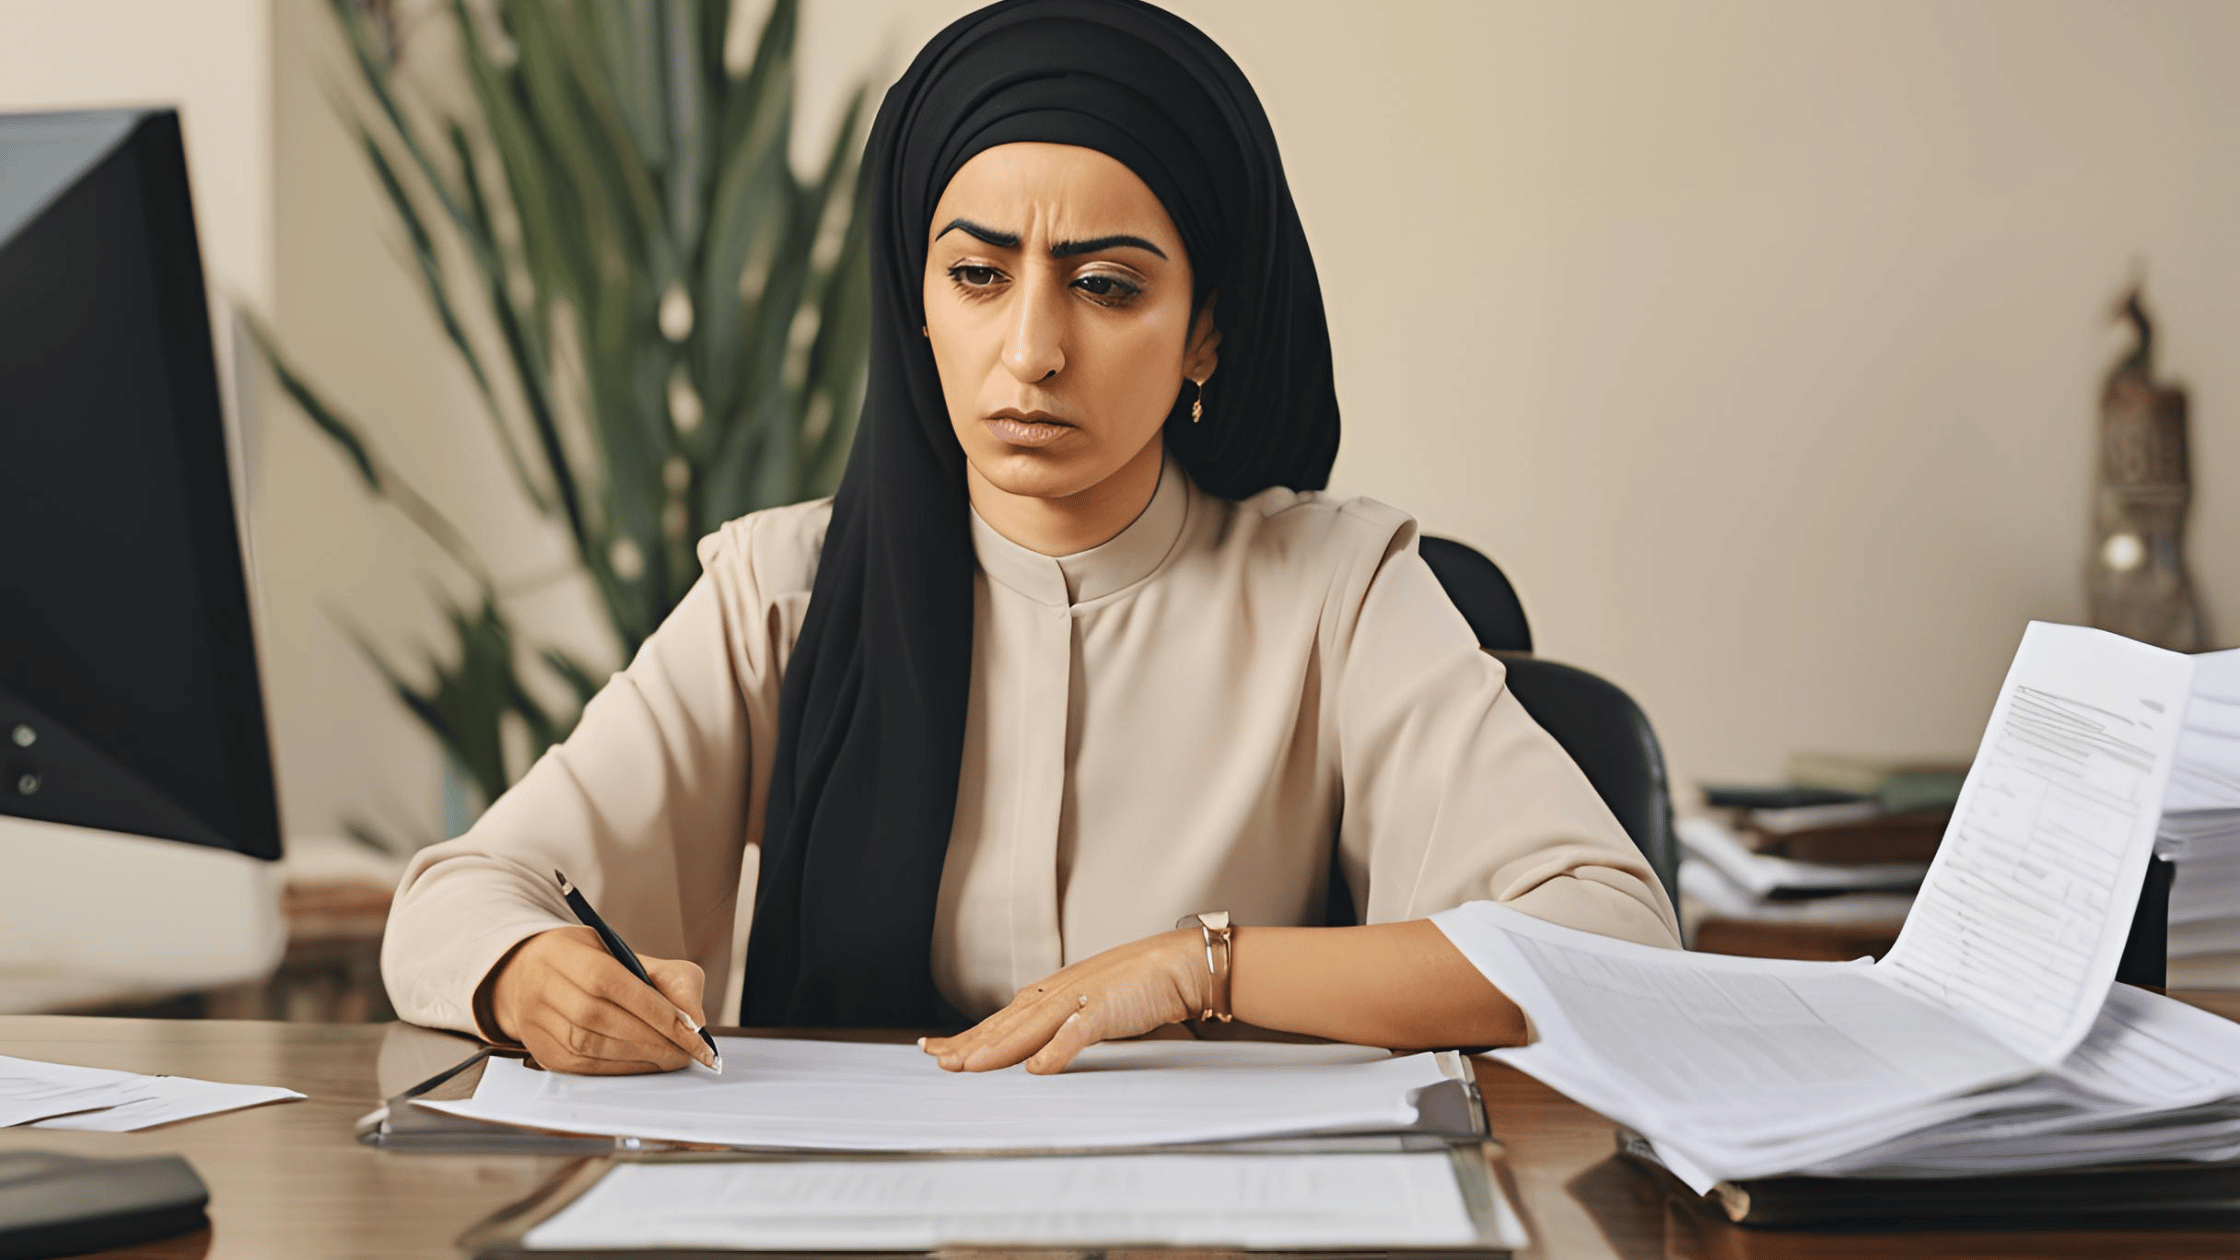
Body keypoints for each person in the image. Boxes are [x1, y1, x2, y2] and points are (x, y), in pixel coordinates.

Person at [379, 0, 1679, 1078]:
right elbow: (455, 898)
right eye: (979, 276)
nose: (1034, 352)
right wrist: (526, 976)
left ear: (1206, 332)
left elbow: (1607, 942)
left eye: (1108, 286)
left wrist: (1196, 969)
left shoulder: (1332, 590)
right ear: (919, 306)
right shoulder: (785, 590)